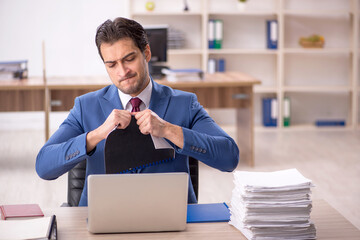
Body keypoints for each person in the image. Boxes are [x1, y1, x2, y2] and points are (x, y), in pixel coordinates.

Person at [36, 17, 239, 206]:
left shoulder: (185, 103)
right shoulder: (85, 107)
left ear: (147, 53)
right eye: (112, 64)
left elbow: (229, 158)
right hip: (102, 217)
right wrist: (97, 134)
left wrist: (168, 130)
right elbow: (44, 166)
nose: (122, 72)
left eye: (129, 59)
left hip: (171, 216)